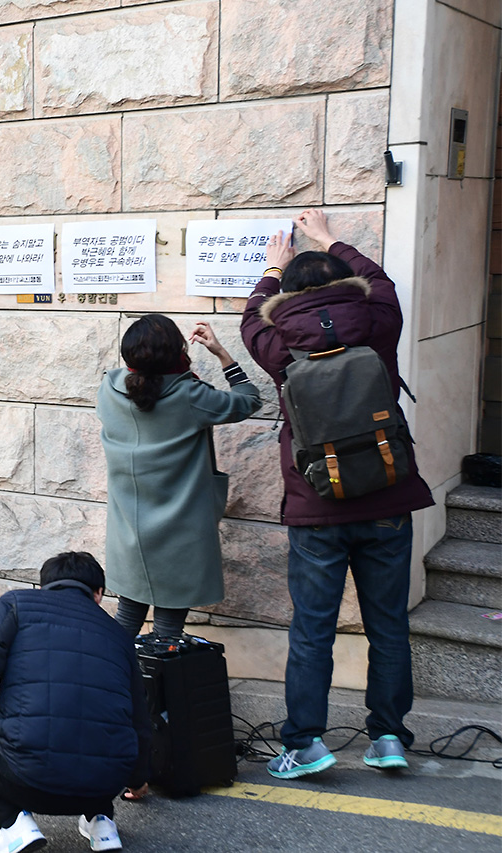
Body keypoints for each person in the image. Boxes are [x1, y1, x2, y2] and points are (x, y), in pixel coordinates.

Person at [241, 209, 434, 778]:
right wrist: (332, 240)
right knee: (388, 626)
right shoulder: (378, 323)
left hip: (317, 505)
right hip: (388, 501)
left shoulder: (278, 344)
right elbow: (382, 284)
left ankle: (305, 744)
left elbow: (251, 318)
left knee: (313, 630)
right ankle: (390, 738)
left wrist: (272, 271)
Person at [0, 551, 151, 853]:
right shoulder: (120, 637)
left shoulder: (15, 606)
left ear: (44, 586)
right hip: (104, 784)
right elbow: (139, 721)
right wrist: (137, 780)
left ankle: (14, 825)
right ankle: (103, 825)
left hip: (27, 779)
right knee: (94, 736)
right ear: (98, 594)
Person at [97, 315, 262, 640]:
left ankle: (114, 684)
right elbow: (250, 399)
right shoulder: (190, 396)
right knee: (167, 632)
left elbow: (145, 393)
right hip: (180, 533)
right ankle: (159, 689)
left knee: (125, 620)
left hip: (129, 530)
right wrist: (222, 353)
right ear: (177, 352)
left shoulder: (108, 389)